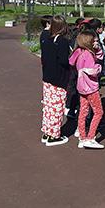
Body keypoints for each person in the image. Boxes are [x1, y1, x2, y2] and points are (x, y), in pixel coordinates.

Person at [69, 29, 105, 149]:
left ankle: (82, 137)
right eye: (94, 40)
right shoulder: (88, 55)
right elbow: (93, 71)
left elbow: (71, 61)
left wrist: (98, 49)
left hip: (81, 86)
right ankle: (90, 137)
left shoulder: (79, 51)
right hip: (91, 87)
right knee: (98, 112)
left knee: (83, 111)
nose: (96, 42)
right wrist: (99, 67)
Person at [40, 15, 71, 146]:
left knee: (48, 107)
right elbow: (64, 61)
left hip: (47, 77)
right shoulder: (62, 41)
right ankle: (54, 135)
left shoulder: (46, 38)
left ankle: (47, 132)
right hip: (59, 78)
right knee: (57, 107)